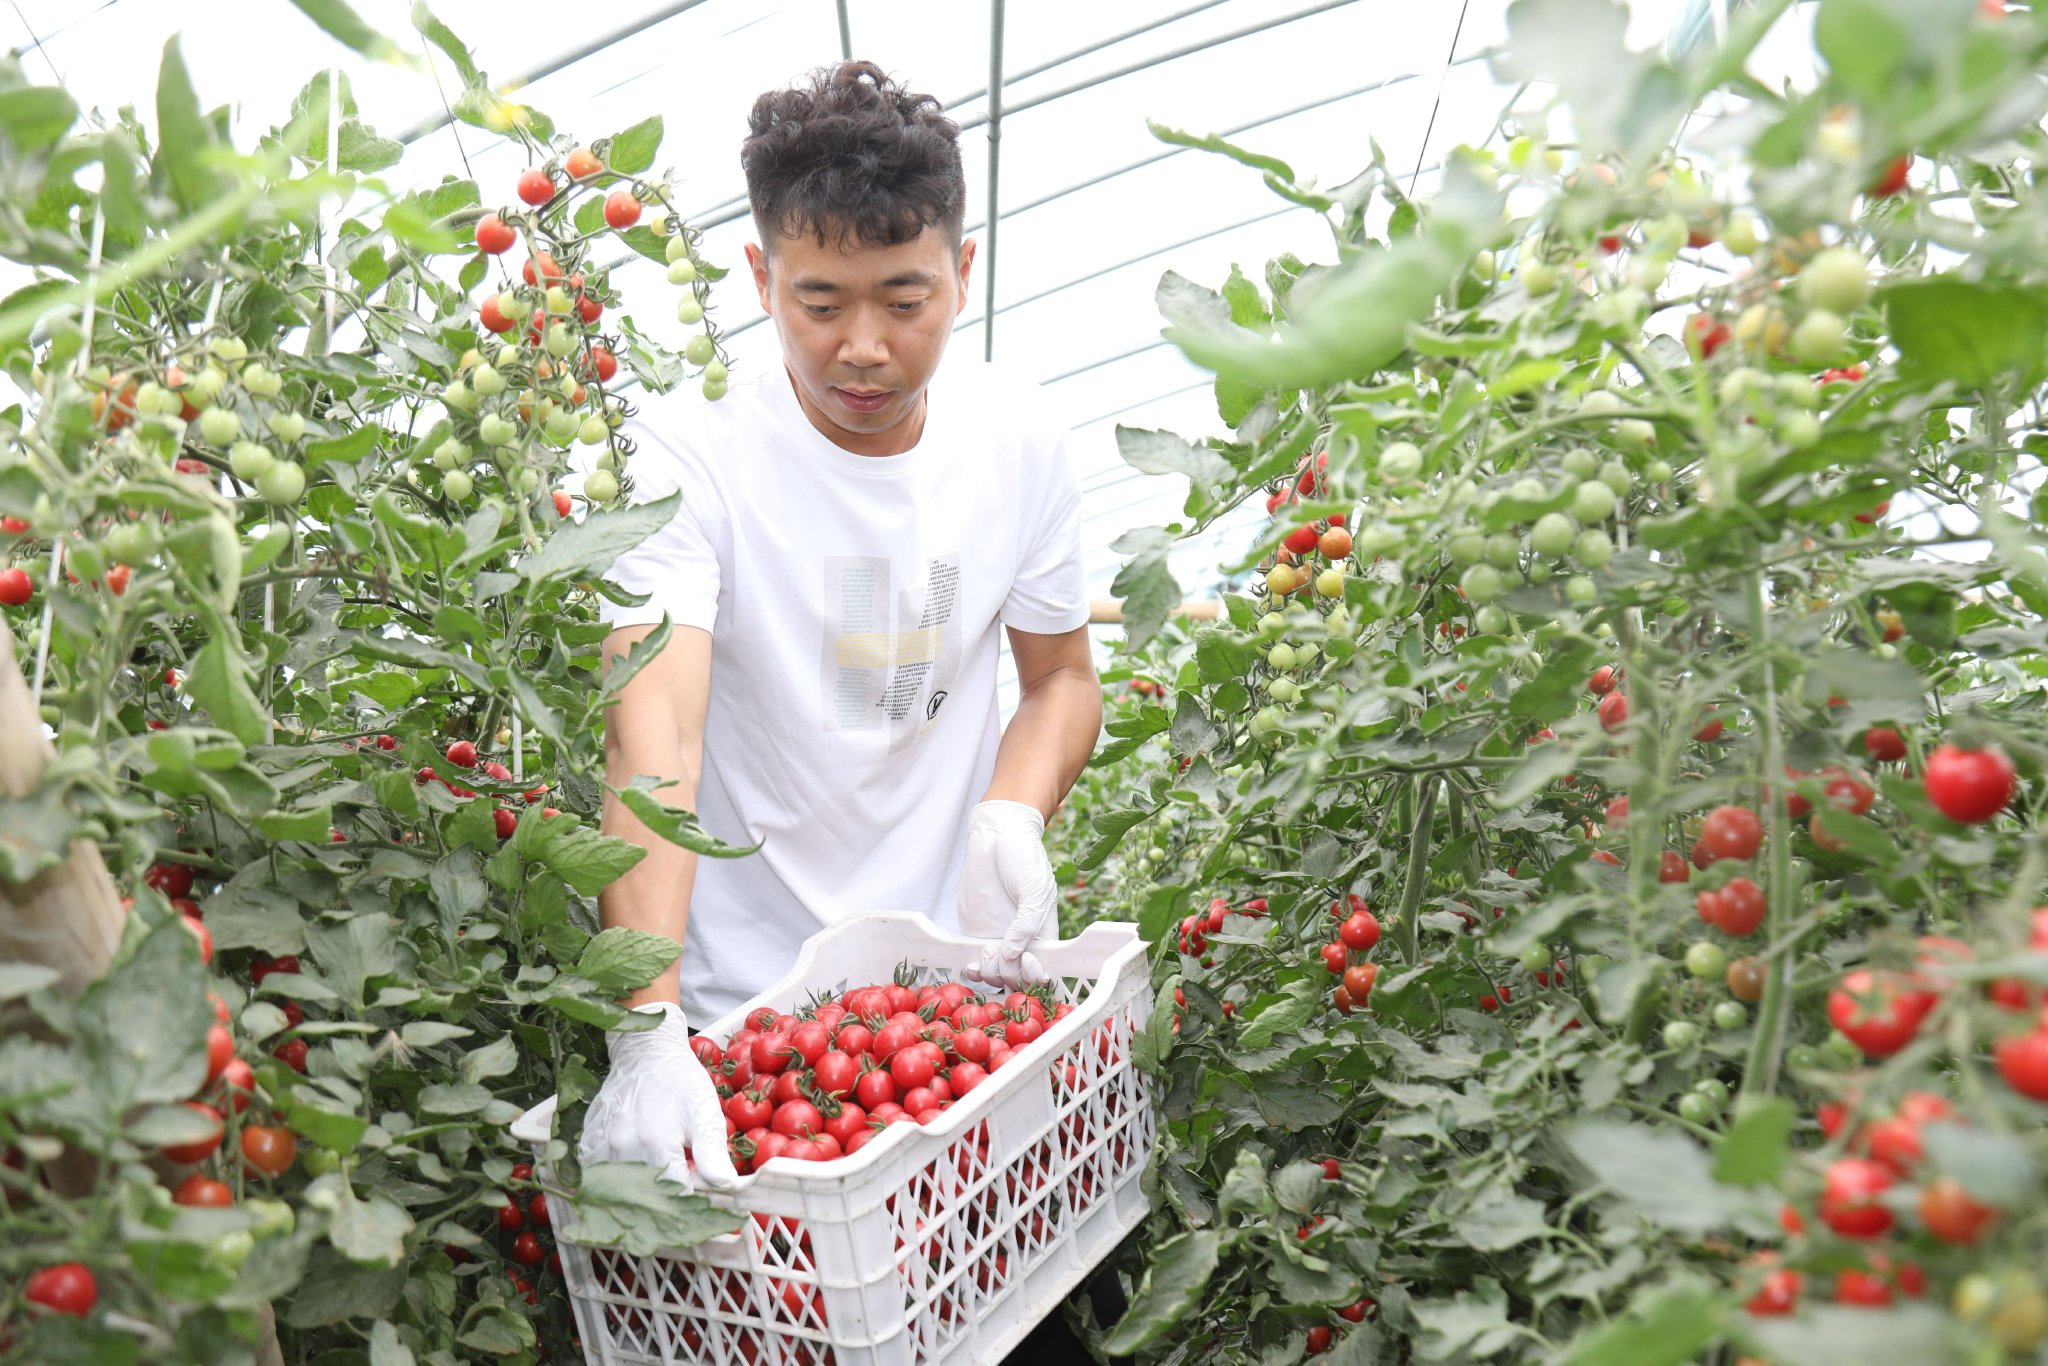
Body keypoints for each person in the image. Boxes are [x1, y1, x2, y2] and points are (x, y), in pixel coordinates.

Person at [576, 57, 1113, 1361]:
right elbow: (659, 735)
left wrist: (1010, 809)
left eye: (904, 298)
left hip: (946, 1006)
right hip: (743, 1029)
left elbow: (1059, 679)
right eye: (818, 301)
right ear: (762, 281)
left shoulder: (1020, 443)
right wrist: (647, 1029)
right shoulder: (687, 445)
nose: (862, 346)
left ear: (963, 272)